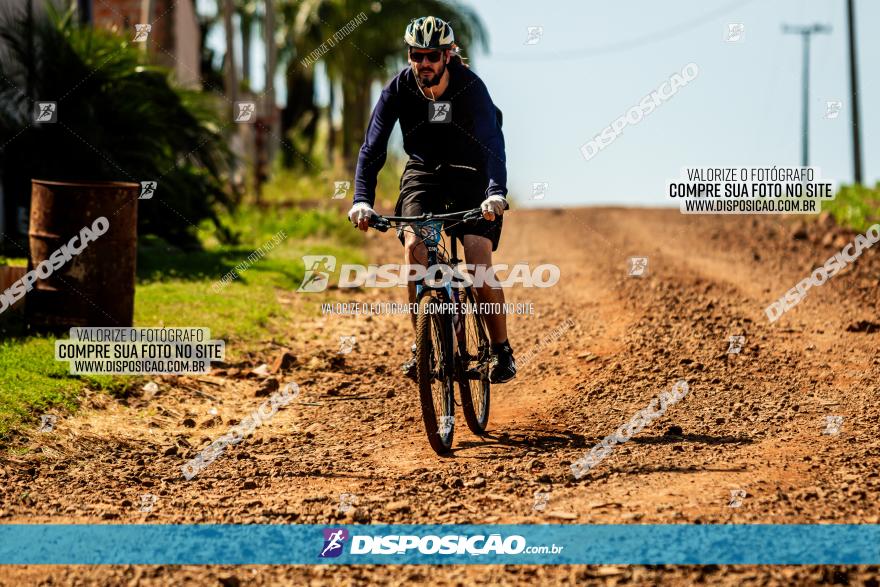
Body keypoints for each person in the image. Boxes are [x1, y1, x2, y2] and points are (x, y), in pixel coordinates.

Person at [347, 15, 516, 384]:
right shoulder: (397, 89)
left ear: (448, 55)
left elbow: (492, 143)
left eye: (432, 56)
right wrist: (362, 199)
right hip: (424, 172)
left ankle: (502, 349)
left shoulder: (470, 87)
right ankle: (422, 345)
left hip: (471, 173)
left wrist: (495, 193)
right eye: (417, 55)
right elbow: (372, 149)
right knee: (415, 250)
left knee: (476, 261)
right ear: (409, 56)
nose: (424, 63)